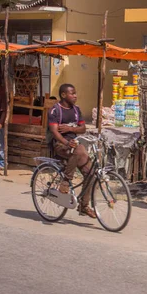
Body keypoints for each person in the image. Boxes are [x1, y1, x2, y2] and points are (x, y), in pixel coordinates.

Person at [48, 84, 95, 218]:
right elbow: (55, 132)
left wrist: (71, 129)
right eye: (72, 93)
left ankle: (84, 206)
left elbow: (83, 128)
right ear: (63, 95)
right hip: (60, 144)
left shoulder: (76, 110)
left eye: (75, 93)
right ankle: (66, 181)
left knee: (91, 173)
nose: (75, 96)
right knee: (78, 149)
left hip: (75, 144)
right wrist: (67, 142)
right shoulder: (55, 111)